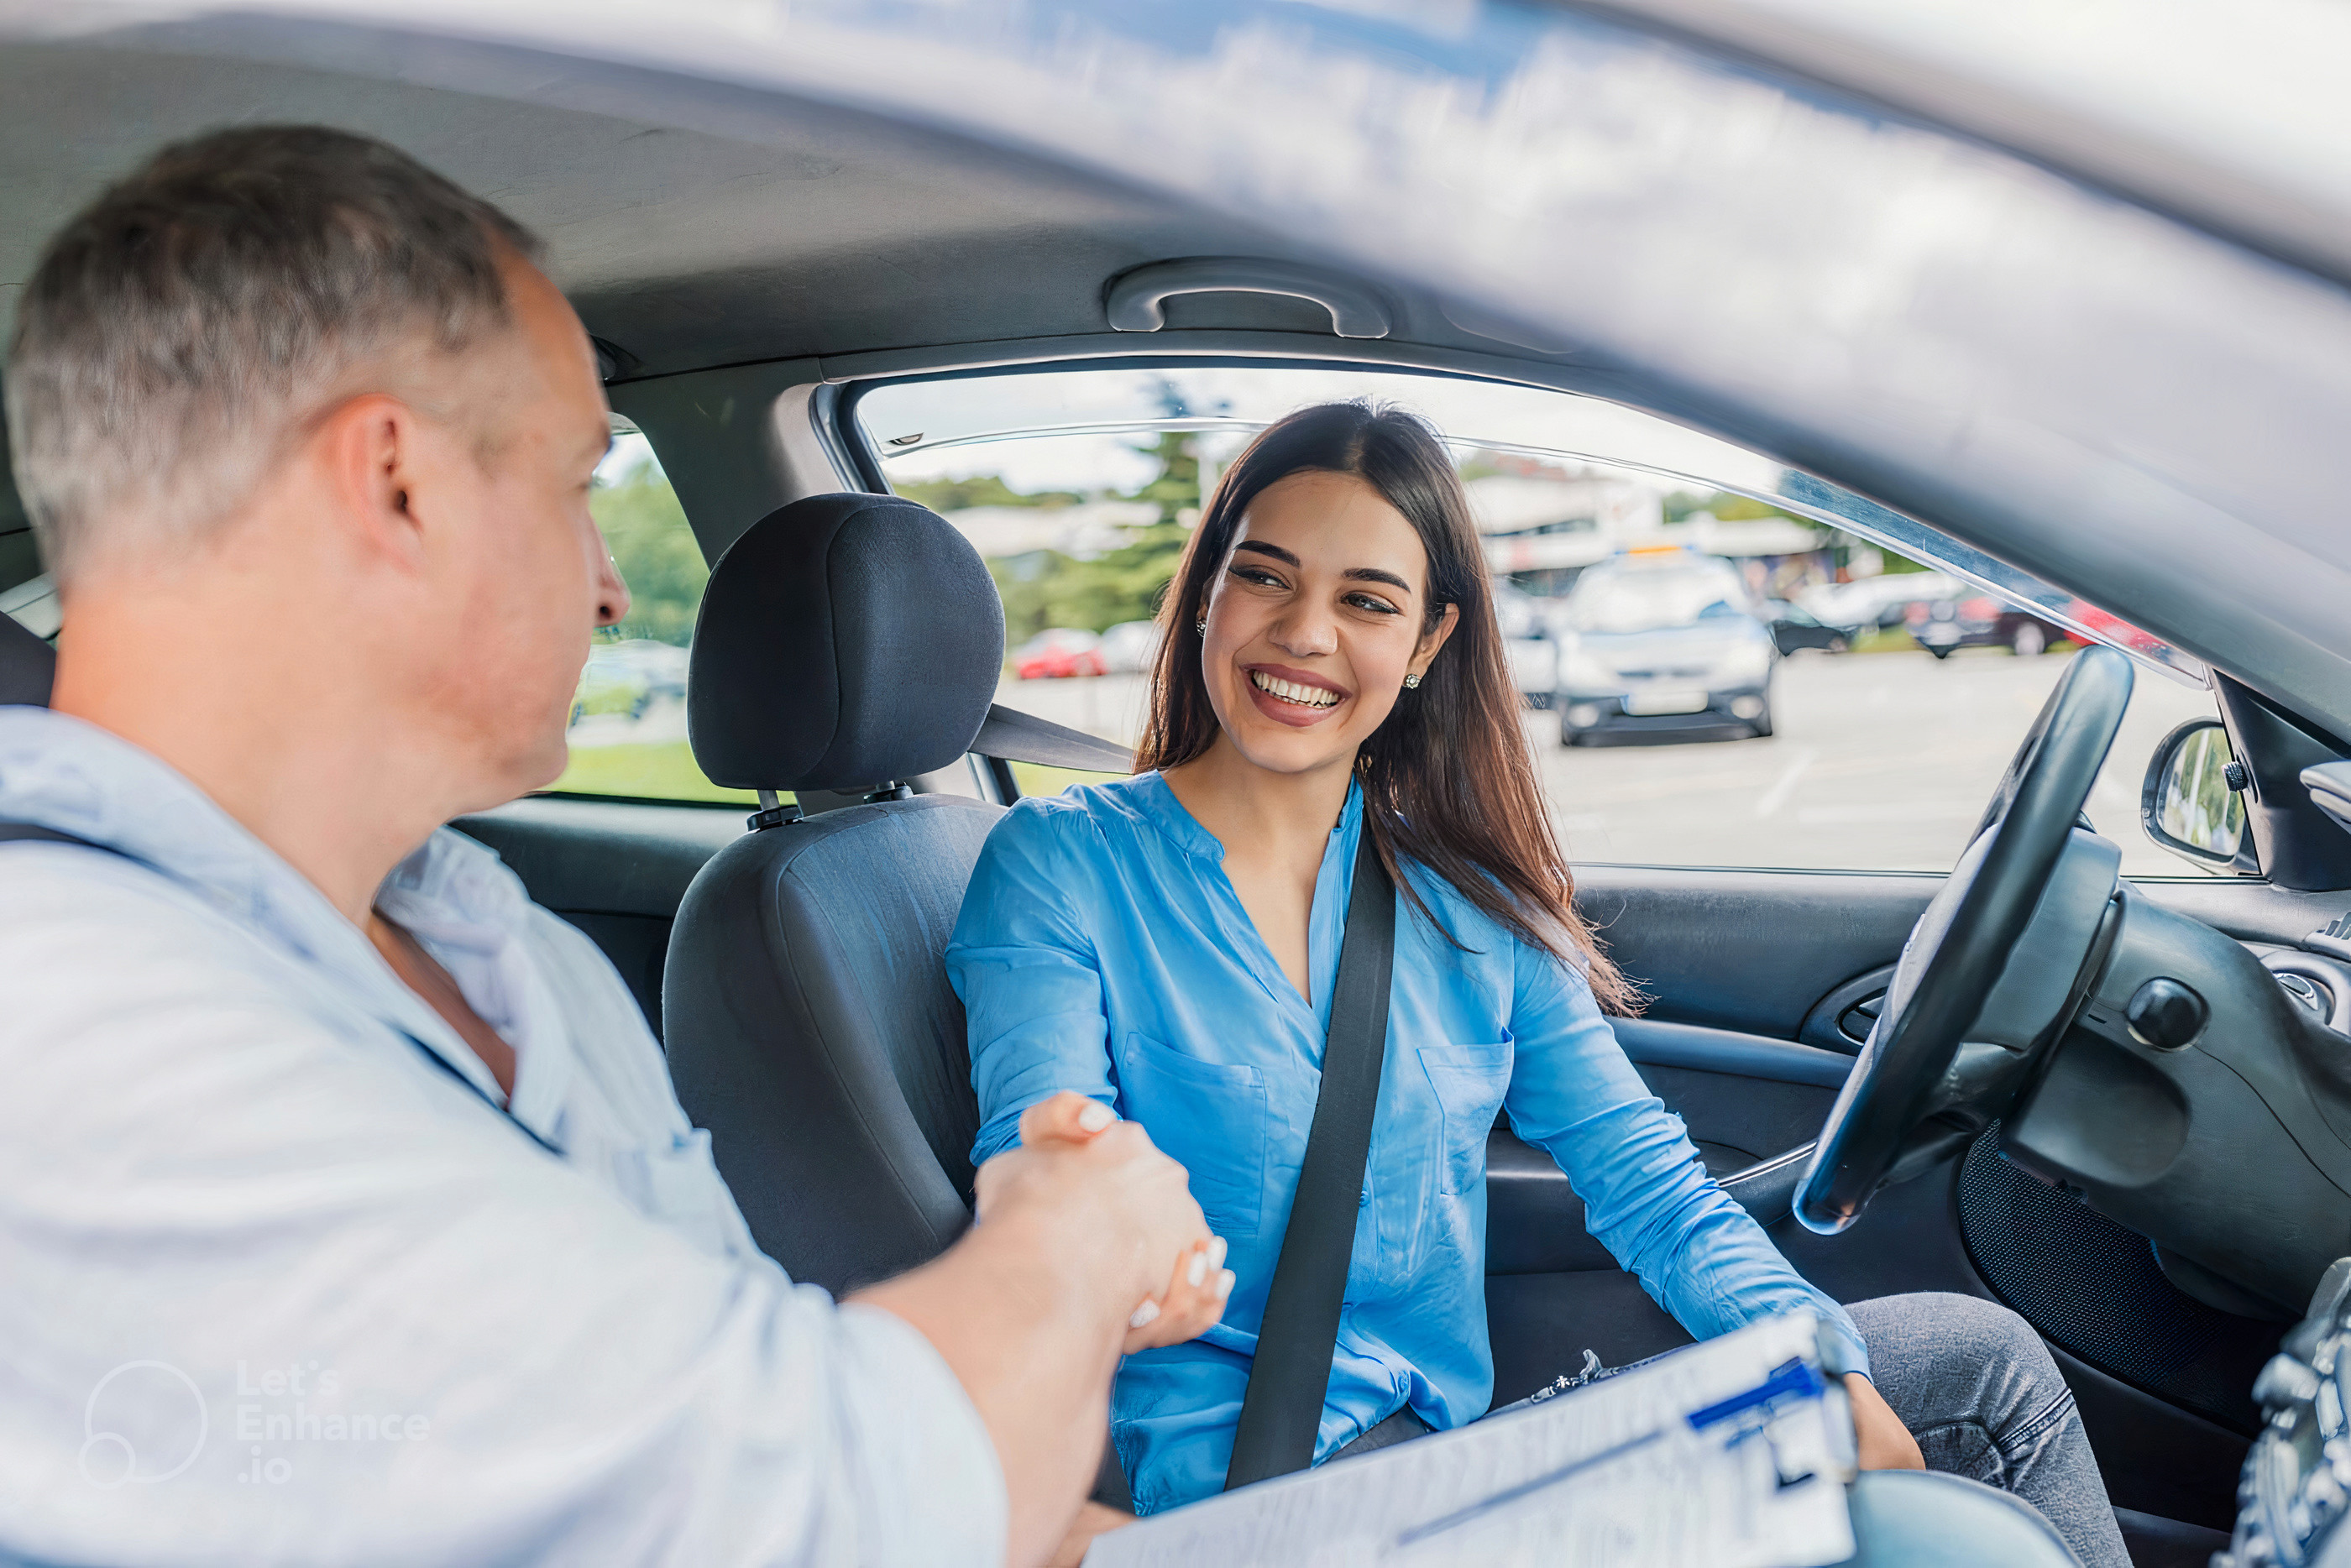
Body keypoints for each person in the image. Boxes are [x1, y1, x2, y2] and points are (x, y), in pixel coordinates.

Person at [0, 126, 1230, 1567]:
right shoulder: (73, 1020)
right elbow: (815, 1509)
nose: (604, 588)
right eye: (578, 482)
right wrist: (1073, 1227)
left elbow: (739, 1386)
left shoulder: (508, 951)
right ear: (394, 481)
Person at [946, 401, 2130, 1567]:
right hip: (1258, 1505)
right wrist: (1083, 1231)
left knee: (1976, 1369)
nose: (1304, 633)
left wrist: (1809, 1350)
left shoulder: (1470, 907)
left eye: (1365, 600)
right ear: (1206, 594)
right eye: (1264, 578)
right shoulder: (1061, 866)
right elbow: (1041, 1144)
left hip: (1456, 1459)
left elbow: (1651, 1191)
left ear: (1423, 647)